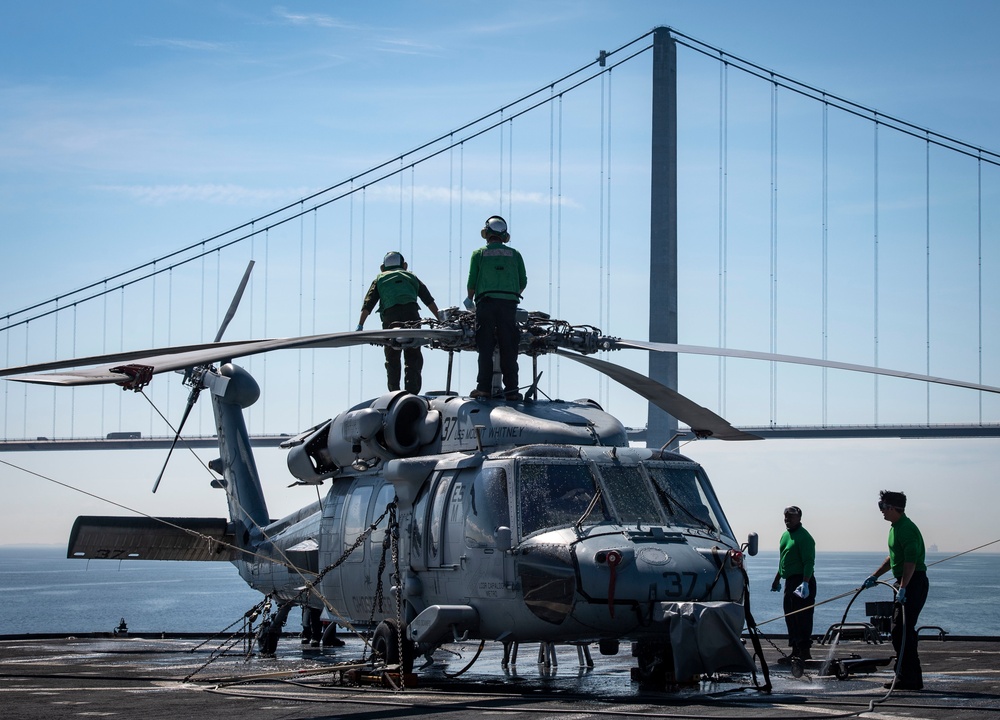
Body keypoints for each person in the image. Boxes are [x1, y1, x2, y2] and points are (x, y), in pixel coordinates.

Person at [863, 490, 928, 691]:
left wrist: (904, 587)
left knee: (901, 630)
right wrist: (875, 575)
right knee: (901, 630)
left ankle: (908, 677)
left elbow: (911, 562)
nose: (881, 511)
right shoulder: (895, 528)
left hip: (913, 582)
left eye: (882, 507)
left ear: (892, 508)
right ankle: (909, 677)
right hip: (906, 582)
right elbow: (893, 558)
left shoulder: (906, 529)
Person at [357, 251, 441, 395]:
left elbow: (368, 304)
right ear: (405, 265)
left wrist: (360, 326)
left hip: (391, 320)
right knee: (413, 355)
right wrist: (441, 321)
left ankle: (394, 393)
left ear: (382, 268)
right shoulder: (411, 276)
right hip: (412, 318)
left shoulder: (380, 278)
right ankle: (412, 393)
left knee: (392, 356)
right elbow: (429, 300)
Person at [465, 215, 527, 400]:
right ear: (504, 236)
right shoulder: (515, 254)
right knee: (509, 346)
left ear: (486, 234)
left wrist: (469, 299)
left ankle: (483, 388)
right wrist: (510, 294)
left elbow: (472, 281)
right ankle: (512, 391)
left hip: (485, 303)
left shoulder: (479, 254)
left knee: (485, 346)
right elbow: (523, 281)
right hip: (509, 306)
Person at [770, 505, 816, 660]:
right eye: (785, 516)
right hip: (790, 581)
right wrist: (777, 579)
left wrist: (805, 583)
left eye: (790, 516)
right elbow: (784, 559)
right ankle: (795, 650)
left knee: (802, 616)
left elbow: (809, 562)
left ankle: (804, 651)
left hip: (802, 580)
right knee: (790, 616)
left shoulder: (805, 537)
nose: (787, 519)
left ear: (799, 518)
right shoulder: (785, 536)